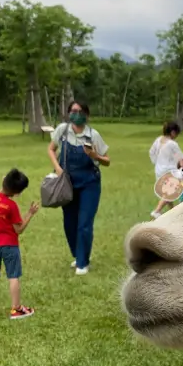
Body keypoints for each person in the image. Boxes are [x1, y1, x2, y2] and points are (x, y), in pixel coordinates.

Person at [47, 101, 110, 275]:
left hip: (89, 182)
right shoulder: (62, 130)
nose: (76, 114)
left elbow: (107, 161)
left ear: (87, 115)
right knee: (69, 223)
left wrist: (94, 155)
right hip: (67, 182)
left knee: (84, 223)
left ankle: (83, 263)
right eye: (73, 111)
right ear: (68, 113)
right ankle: (78, 254)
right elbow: (51, 149)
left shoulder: (93, 135)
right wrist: (58, 168)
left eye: (80, 111)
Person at [0, 169, 39, 320]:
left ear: (3, 180)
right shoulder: (11, 206)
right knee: (13, 276)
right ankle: (16, 310)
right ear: (17, 193)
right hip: (9, 246)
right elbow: (18, 229)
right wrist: (30, 214)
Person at [149, 122, 183, 218]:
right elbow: (181, 159)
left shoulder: (158, 140)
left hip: (159, 169)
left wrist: (157, 162)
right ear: (173, 132)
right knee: (170, 191)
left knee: (167, 191)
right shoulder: (172, 144)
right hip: (169, 170)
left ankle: (173, 212)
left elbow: (151, 152)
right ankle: (157, 210)